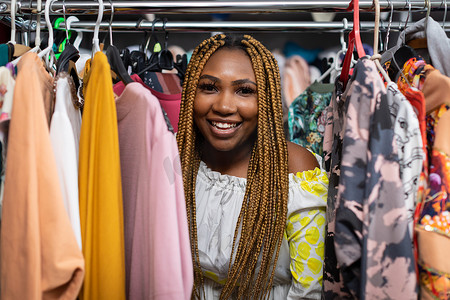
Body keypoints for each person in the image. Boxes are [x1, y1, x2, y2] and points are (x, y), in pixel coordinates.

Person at [176, 34, 328, 299]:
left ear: (267, 101)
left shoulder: (295, 168)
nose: (224, 106)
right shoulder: (174, 162)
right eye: (209, 87)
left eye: (245, 91)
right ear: (191, 92)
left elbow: (310, 290)